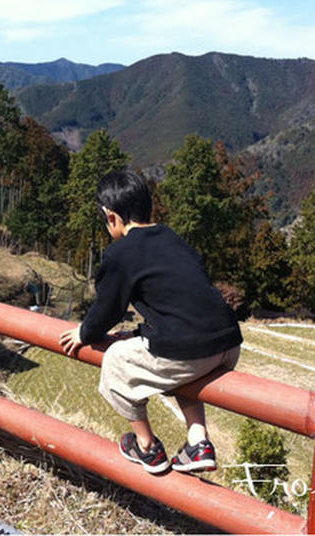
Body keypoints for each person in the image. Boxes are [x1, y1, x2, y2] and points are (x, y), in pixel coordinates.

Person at [59, 169, 242, 475]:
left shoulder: (120, 253)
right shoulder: (173, 239)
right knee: (178, 366)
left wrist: (84, 331)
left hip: (188, 351)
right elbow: (182, 306)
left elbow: (108, 310)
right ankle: (198, 442)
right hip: (228, 343)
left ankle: (146, 447)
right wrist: (139, 333)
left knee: (116, 362)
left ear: (111, 217)